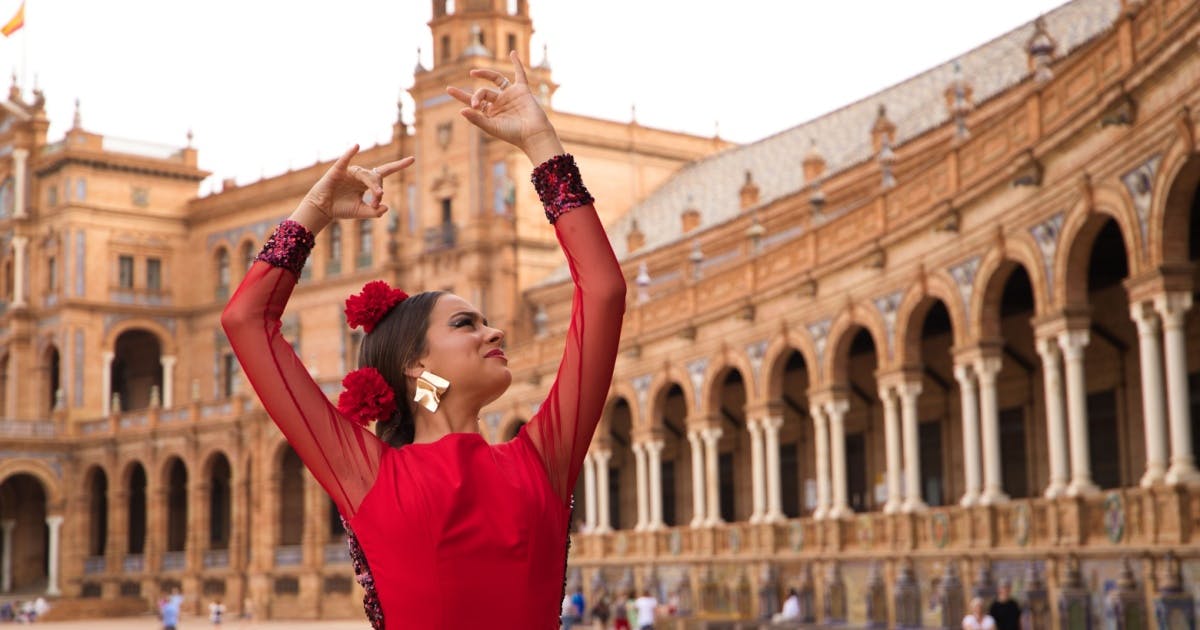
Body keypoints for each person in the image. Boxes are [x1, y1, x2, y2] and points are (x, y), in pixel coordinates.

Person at [220, 51, 625, 630]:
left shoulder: (538, 459)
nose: (496, 330)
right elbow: (246, 321)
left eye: (482, 320)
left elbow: (604, 292)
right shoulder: (370, 471)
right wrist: (312, 214)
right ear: (414, 365)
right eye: (467, 324)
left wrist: (540, 141)